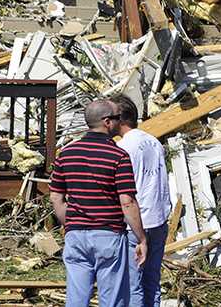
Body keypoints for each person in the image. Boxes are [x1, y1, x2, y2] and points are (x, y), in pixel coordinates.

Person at [49, 98, 147, 307]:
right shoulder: (118, 155)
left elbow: (56, 197)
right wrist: (141, 238)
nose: (120, 122)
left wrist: (70, 223)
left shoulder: (66, 153)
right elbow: (127, 202)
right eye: (117, 118)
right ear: (107, 122)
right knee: (112, 299)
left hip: (76, 235)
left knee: (76, 299)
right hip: (108, 234)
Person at [113, 95, 171, 307]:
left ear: (120, 119)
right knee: (152, 282)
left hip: (136, 224)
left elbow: (125, 194)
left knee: (132, 285)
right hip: (158, 218)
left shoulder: (124, 148)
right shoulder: (153, 141)